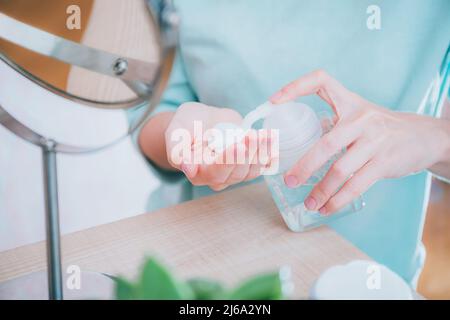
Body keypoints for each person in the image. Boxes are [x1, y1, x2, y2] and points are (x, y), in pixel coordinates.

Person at [136, 0, 450, 285]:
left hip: (372, 281)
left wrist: (436, 137)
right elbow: (153, 115)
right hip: (207, 277)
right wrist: (186, 139)